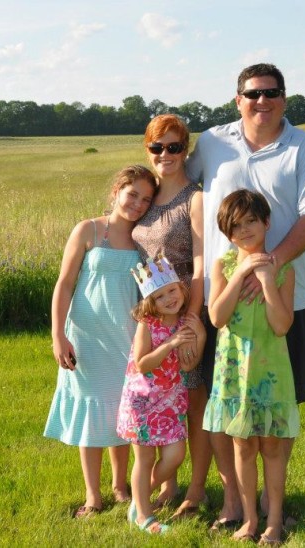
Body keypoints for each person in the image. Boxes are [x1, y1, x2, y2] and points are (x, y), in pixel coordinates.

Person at [185, 63, 305, 531]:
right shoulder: (211, 142)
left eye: (271, 93)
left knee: (278, 409)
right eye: (252, 94)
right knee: (226, 406)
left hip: (291, 297)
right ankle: (235, 501)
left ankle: (273, 507)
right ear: (238, 99)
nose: (261, 102)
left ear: (284, 99)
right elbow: (180, 180)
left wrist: (268, 264)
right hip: (223, 303)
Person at [44, 165, 157, 518]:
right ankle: (93, 495)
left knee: (121, 411)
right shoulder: (88, 230)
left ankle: (120, 486)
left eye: (146, 199)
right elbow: (64, 283)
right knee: (92, 413)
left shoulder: (143, 241)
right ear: (116, 191)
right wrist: (58, 335)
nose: (137, 203)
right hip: (87, 337)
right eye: (132, 194)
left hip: (126, 336)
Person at [204, 190, 299, 544]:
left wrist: (264, 281)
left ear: (266, 222)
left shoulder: (284, 269)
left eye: (251, 221)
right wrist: (240, 272)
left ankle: (274, 520)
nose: (244, 230)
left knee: (273, 448)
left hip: (270, 372)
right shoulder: (223, 265)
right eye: (235, 226)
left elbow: (282, 325)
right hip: (234, 372)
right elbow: (216, 317)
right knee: (242, 448)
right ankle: (249, 519)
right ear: (227, 233)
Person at [132, 114, 211, 519]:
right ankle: (166, 484)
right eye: (157, 147)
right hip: (148, 318)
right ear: (147, 149)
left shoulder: (194, 199)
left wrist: (191, 321)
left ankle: (195, 492)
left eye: (175, 147)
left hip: (183, 315)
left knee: (192, 402)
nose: (166, 155)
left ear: (186, 149)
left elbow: (200, 264)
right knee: (158, 399)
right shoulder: (144, 197)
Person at [117, 256, 206, 534]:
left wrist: (199, 337)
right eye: (159, 296)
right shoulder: (148, 324)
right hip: (142, 401)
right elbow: (143, 363)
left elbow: (188, 365)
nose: (168, 298)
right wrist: (169, 344)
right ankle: (144, 516)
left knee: (175, 455)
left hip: (170, 401)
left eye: (171, 290)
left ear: (181, 289)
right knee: (143, 459)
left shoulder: (183, 324)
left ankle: (140, 499)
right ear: (150, 303)